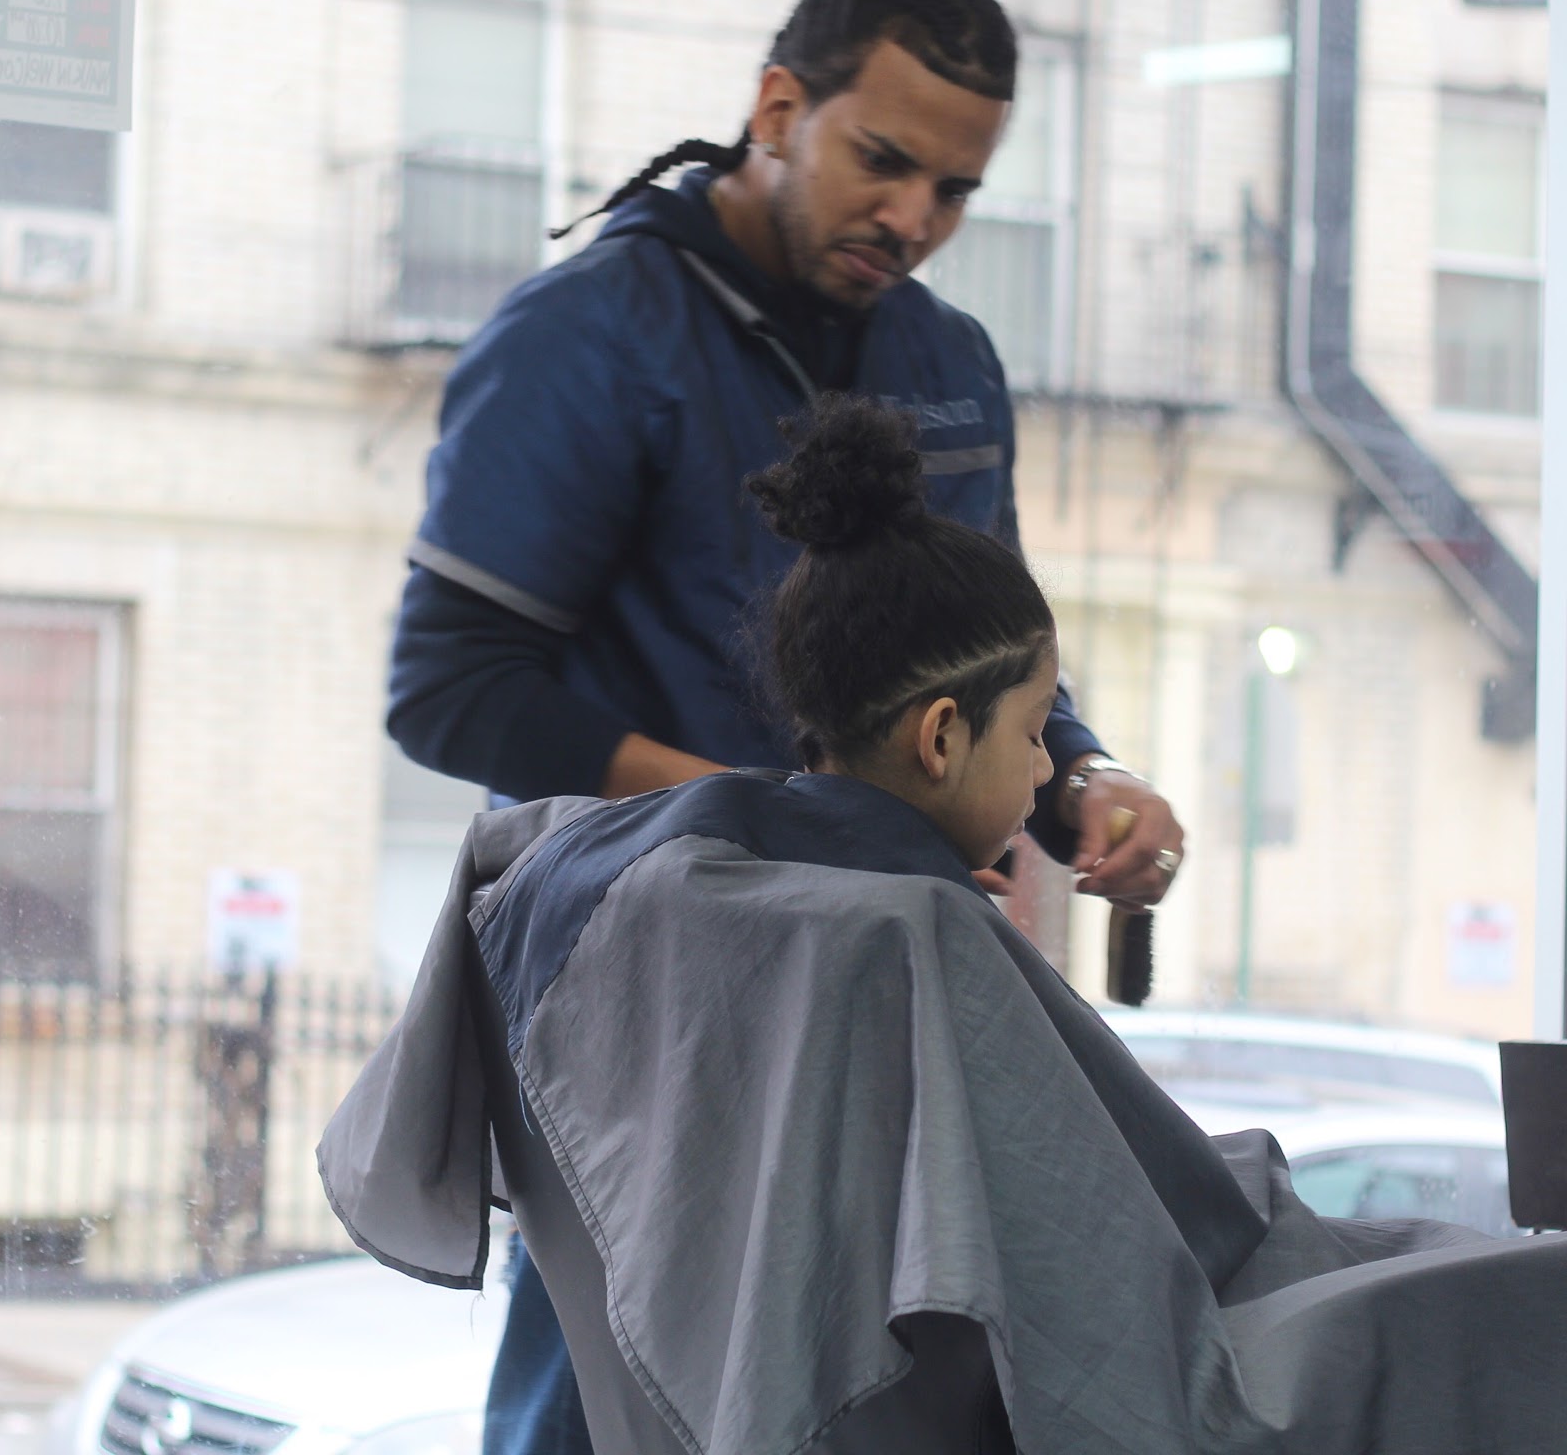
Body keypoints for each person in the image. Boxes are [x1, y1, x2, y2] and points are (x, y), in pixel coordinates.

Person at [323, 397, 1567, 1455]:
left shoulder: (637, 883)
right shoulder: (906, 941)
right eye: (1037, 732)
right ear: (938, 735)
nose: (1045, 777)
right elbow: (1116, 1276)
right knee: (1502, 1296)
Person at [386, 0, 1187, 1455]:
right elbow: (453, 692)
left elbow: (988, 648)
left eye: (955, 191)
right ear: (777, 108)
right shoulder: (589, 339)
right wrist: (765, 825)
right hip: (644, 1000)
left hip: (871, 980)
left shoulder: (945, 358)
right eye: (883, 162)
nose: (915, 220)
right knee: (616, 1406)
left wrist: (1082, 778)